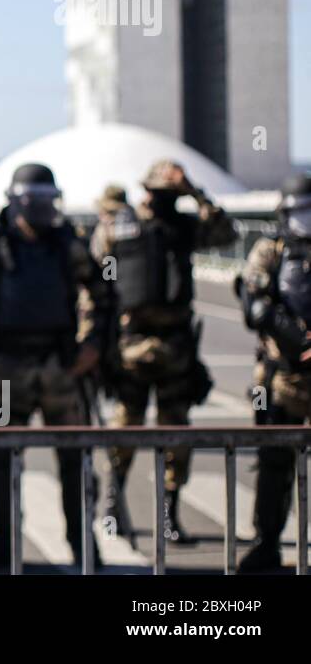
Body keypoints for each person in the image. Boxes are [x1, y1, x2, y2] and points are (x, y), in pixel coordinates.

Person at [0, 164, 111, 570]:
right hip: (5, 366)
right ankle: (3, 542)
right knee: (2, 459)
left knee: (75, 459)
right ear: (16, 201)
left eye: (48, 200)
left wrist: (93, 344)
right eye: (34, 201)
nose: (43, 209)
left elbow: (103, 294)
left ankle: (83, 544)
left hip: (61, 366)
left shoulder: (67, 244)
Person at [90, 159, 236, 543]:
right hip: (130, 346)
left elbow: (226, 234)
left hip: (176, 347)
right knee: (125, 430)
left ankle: (169, 515)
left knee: (177, 436)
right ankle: (112, 508)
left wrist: (196, 192)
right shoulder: (119, 225)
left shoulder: (184, 227)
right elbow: (97, 276)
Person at [235, 172, 311, 573]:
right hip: (284, 376)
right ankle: (267, 543)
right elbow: (256, 308)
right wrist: (300, 341)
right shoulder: (271, 249)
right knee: (274, 463)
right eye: (299, 210)